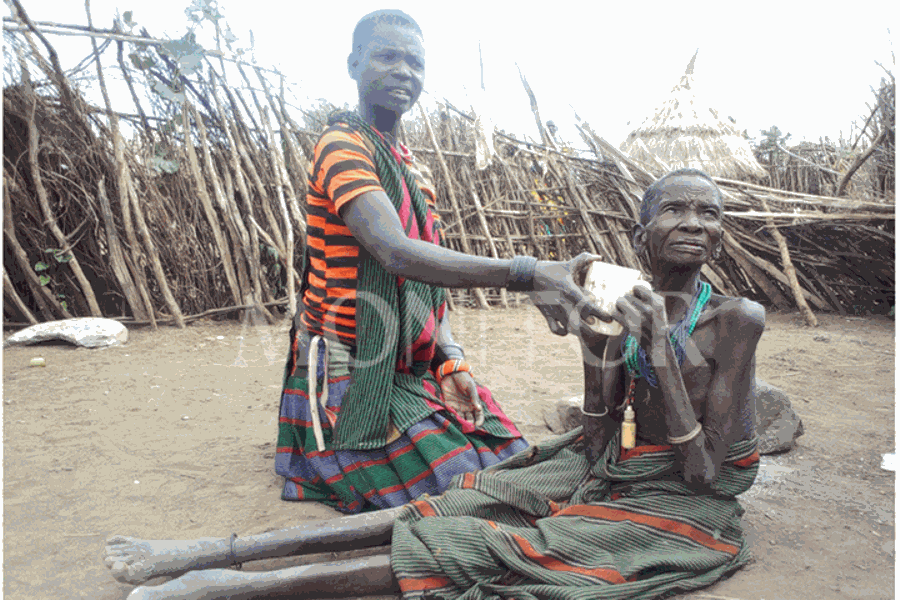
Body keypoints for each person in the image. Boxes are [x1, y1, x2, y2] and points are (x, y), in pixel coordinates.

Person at [103, 168, 765, 600]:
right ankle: (225, 550)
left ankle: (231, 588)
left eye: (710, 214)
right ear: (639, 232)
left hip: (684, 503)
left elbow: (705, 470)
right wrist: (598, 351)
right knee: (460, 500)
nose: (695, 224)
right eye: (675, 209)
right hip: (617, 465)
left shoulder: (736, 320)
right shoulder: (631, 303)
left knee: (496, 547)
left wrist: (655, 349)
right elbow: (598, 438)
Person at [275, 8, 603, 514]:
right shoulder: (340, 146)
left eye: (416, 63)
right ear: (353, 64)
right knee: (462, 487)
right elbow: (397, 253)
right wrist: (526, 272)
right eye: (387, 56)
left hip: (411, 365)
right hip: (354, 367)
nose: (404, 71)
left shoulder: (414, 171)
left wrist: (451, 360)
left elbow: (430, 286)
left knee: (512, 456)